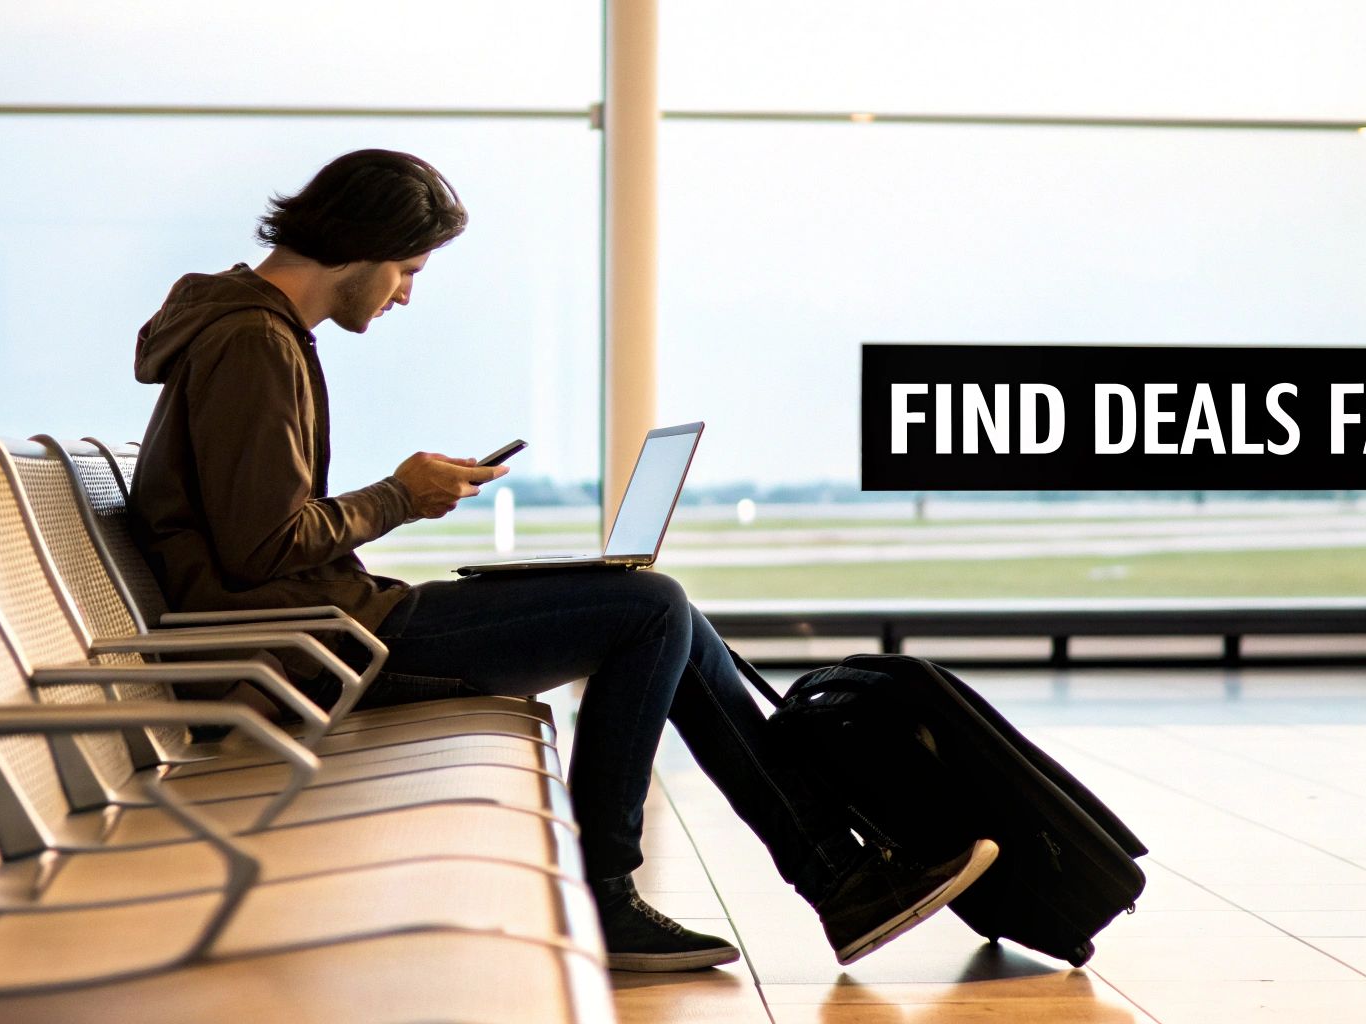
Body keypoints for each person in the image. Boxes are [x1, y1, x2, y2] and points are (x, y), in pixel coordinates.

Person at [128, 149, 997, 972]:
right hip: (312, 652)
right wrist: (401, 494)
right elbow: (260, 546)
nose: (403, 298)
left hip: (325, 629)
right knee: (651, 609)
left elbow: (254, 532)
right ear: (363, 247)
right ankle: (627, 891)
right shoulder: (255, 343)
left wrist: (404, 497)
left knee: (663, 611)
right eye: (410, 271)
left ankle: (837, 879)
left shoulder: (249, 332)